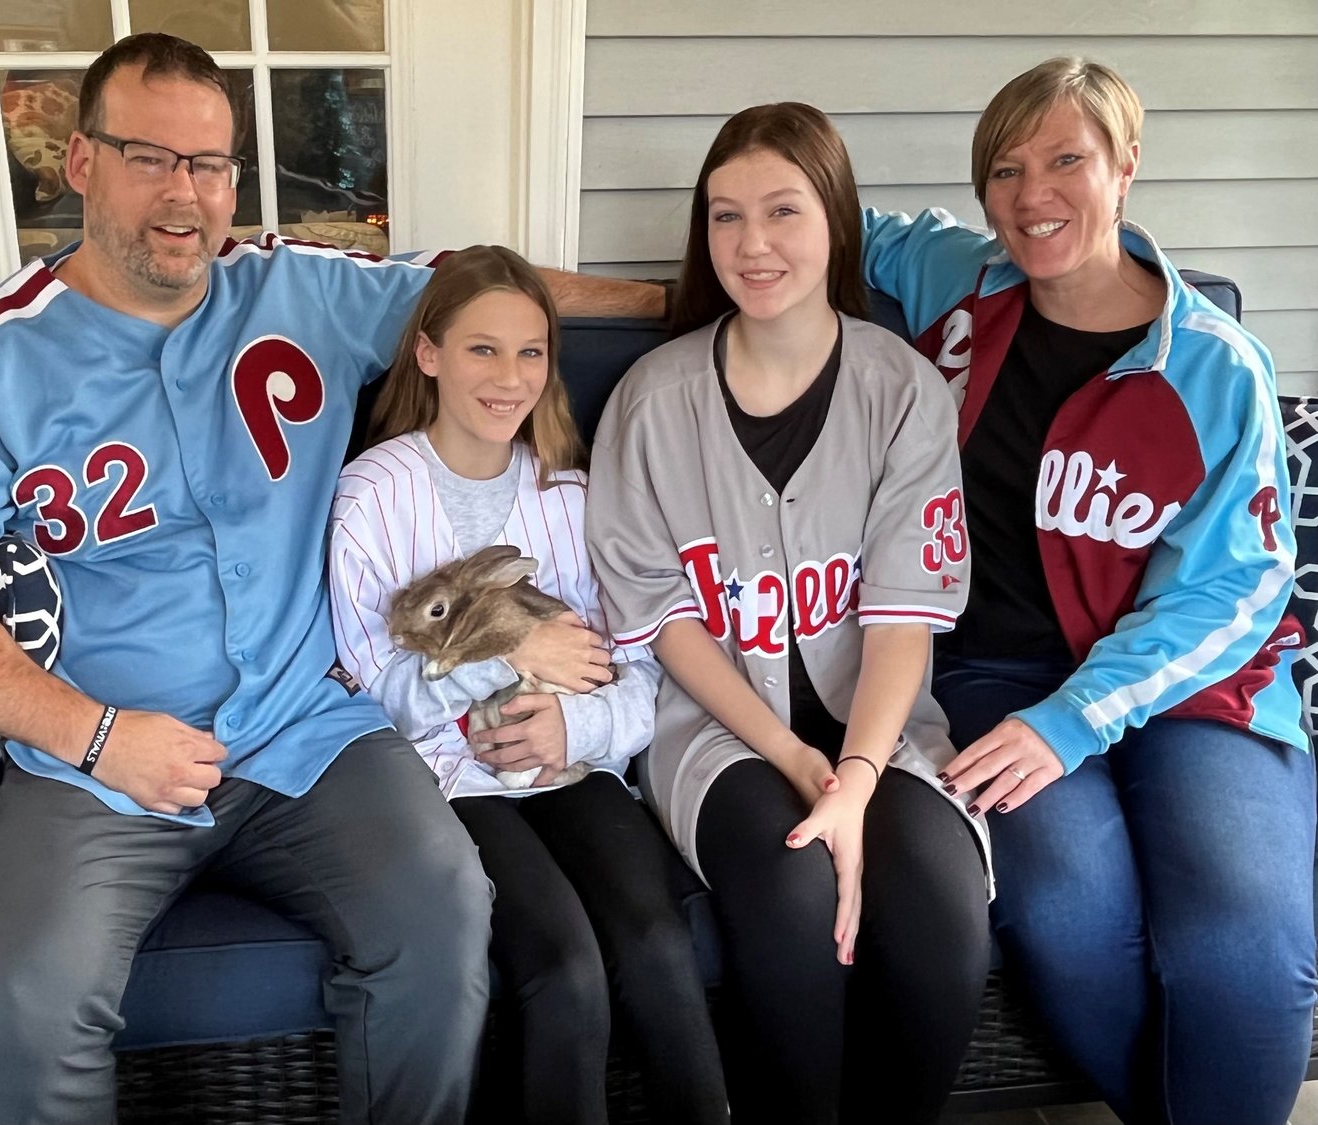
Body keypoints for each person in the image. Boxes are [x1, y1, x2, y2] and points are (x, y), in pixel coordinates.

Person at [0, 33, 660, 1125]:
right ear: (79, 162)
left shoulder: (301, 290)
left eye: (211, 165)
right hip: (97, 756)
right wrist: (94, 734)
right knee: (23, 1007)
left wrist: (695, 303)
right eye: (150, 157)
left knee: (442, 910)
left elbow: (484, 295)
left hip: (305, 728)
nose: (185, 196)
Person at [861, 57, 1315, 1125]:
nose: (1032, 196)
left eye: (1067, 160)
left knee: (1242, 947)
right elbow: (815, 231)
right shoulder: (961, 284)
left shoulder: (1210, 364)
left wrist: (1074, 721)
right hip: (992, 675)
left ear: (1126, 167)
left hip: (1195, 689)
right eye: (1006, 170)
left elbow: (1235, 594)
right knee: (1068, 921)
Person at [585, 103, 992, 1124]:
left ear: (836, 221)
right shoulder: (651, 398)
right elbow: (666, 618)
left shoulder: (902, 390)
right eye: (726, 217)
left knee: (944, 915)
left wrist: (853, 775)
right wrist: (790, 755)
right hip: (720, 732)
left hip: (884, 734)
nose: (752, 244)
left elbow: (903, 619)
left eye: (782, 211)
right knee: (793, 896)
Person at [328, 244, 729, 1125]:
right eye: (482, 349)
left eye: (531, 351)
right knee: (564, 967)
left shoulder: (573, 496)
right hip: (443, 785)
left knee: (659, 944)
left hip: (570, 769)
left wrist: (572, 731)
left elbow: (643, 670)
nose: (510, 377)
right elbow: (374, 694)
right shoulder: (373, 496)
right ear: (429, 353)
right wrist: (512, 653)